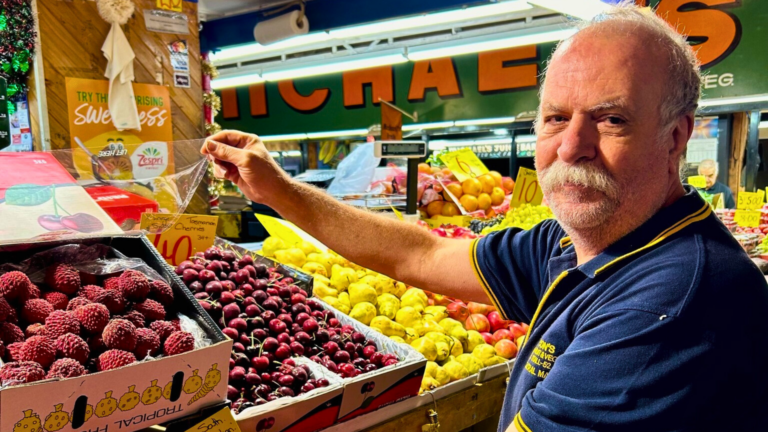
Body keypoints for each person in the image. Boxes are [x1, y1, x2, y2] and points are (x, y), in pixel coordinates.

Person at [202, 4, 768, 432]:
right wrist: (279, 191)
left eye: (611, 119)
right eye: (555, 118)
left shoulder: (671, 305)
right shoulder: (584, 243)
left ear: (675, 137)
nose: (572, 146)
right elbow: (420, 252)